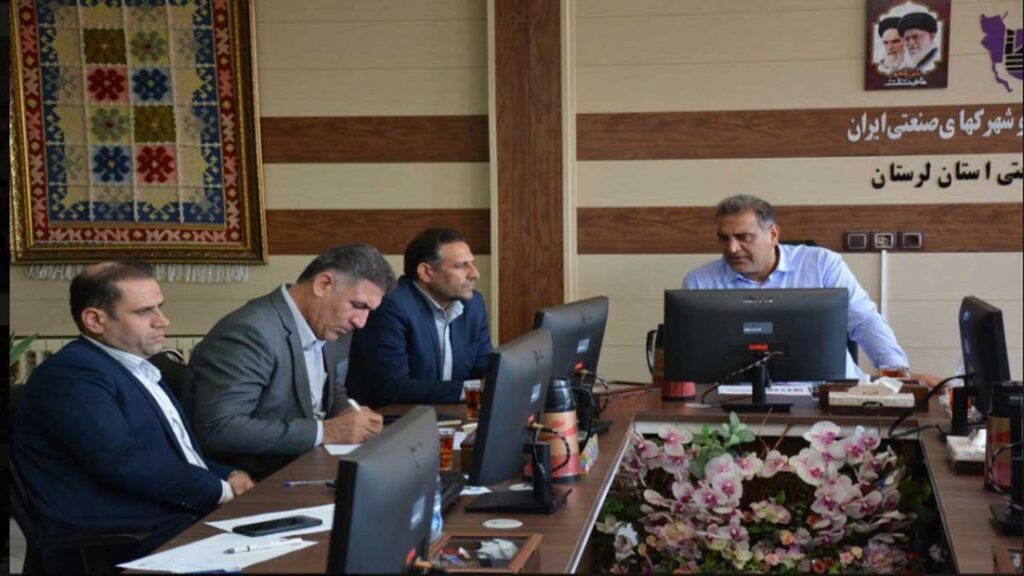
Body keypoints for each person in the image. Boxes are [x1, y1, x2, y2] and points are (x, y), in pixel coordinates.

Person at [11, 261, 255, 573]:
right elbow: (124, 461)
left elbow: (177, 454)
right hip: (126, 540)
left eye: (160, 307)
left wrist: (228, 474)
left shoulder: (136, 368)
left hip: (172, 523)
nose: (162, 320)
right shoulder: (71, 375)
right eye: (144, 311)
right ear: (95, 320)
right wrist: (221, 490)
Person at [186, 244, 395, 479]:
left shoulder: (324, 322)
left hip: (308, 464)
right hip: (259, 479)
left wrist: (348, 412)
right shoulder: (251, 331)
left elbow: (329, 388)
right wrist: (325, 432)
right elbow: (219, 428)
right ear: (323, 284)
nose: (361, 322)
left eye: (369, 311)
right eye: (358, 306)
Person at [683, 195, 932, 382]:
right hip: (735, 398)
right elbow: (694, 354)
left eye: (743, 237)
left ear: (773, 234)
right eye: (724, 238)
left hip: (829, 391)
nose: (732, 248)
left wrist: (896, 372)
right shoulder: (700, 282)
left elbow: (863, 320)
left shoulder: (822, 264)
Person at [346, 228, 492, 407]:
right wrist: (472, 389)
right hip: (392, 418)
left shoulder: (473, 304)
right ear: (426, 273)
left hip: (447, 412)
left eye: (472, 264)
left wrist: (497, 381)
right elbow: (393, 388)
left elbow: (483, 365)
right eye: (461, 266)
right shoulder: (390, 307)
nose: (474, 273)